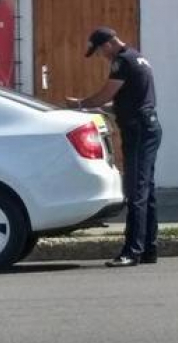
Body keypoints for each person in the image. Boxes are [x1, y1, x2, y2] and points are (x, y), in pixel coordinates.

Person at [66, 27, 163, 268]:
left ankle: (132, 251)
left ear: (108, 44)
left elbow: (106, 94)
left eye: (100, 51)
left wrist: (80, 104)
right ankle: (149, 248)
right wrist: (102, 109)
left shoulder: (122, 61)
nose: (102, 57)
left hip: (139, 130)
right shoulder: (137, 56)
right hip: (147, 126)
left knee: (136, 191)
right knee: (146, 190)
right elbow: (127, 99)